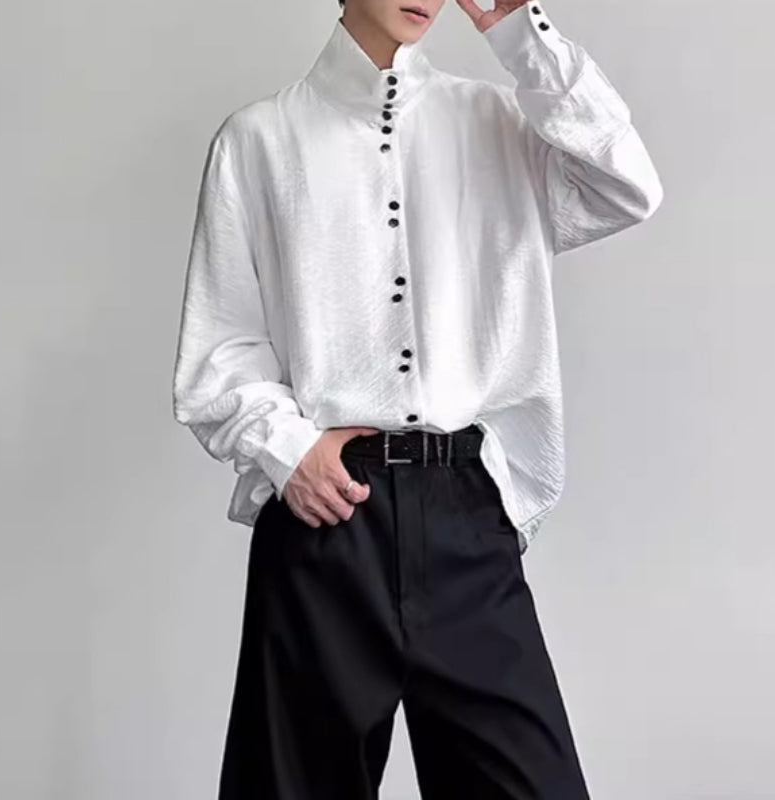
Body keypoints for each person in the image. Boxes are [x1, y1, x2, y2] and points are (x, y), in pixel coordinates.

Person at [172, 0, 663, 796]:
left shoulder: (499, 123)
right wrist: (289, 450)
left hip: (467, 515)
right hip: (326, 521)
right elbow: (220, 347)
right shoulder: (259, 141)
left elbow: (625, 187)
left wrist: (521, 34)